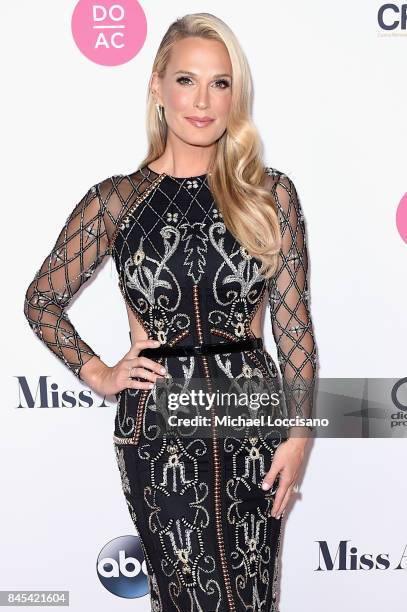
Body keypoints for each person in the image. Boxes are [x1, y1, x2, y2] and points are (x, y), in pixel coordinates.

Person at [23, 12, 318, 612]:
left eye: (220, 83)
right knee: (187, 597)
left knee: (250, 596)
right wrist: (102, 373)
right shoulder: (116, 201)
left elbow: (296, 333)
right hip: (159, 430)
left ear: (236, 94)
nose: (202, 101)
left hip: (251, 422)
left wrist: (299, 436)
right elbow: (42, 301)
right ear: (157, 87)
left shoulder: (270, 194)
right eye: (186, 81)